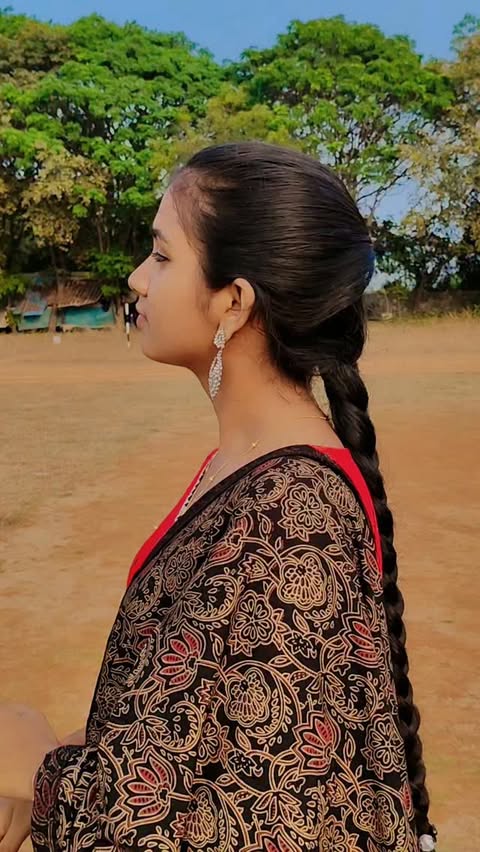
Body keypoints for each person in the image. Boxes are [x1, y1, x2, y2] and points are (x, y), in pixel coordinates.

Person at [0, 142, 437, 851]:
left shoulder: (293, 520)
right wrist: (71, 751)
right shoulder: (249, 466)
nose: (137, 278)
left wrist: (41, 769)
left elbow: (248, 820)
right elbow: (206, 719)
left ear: (233, 302)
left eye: (161, 255)